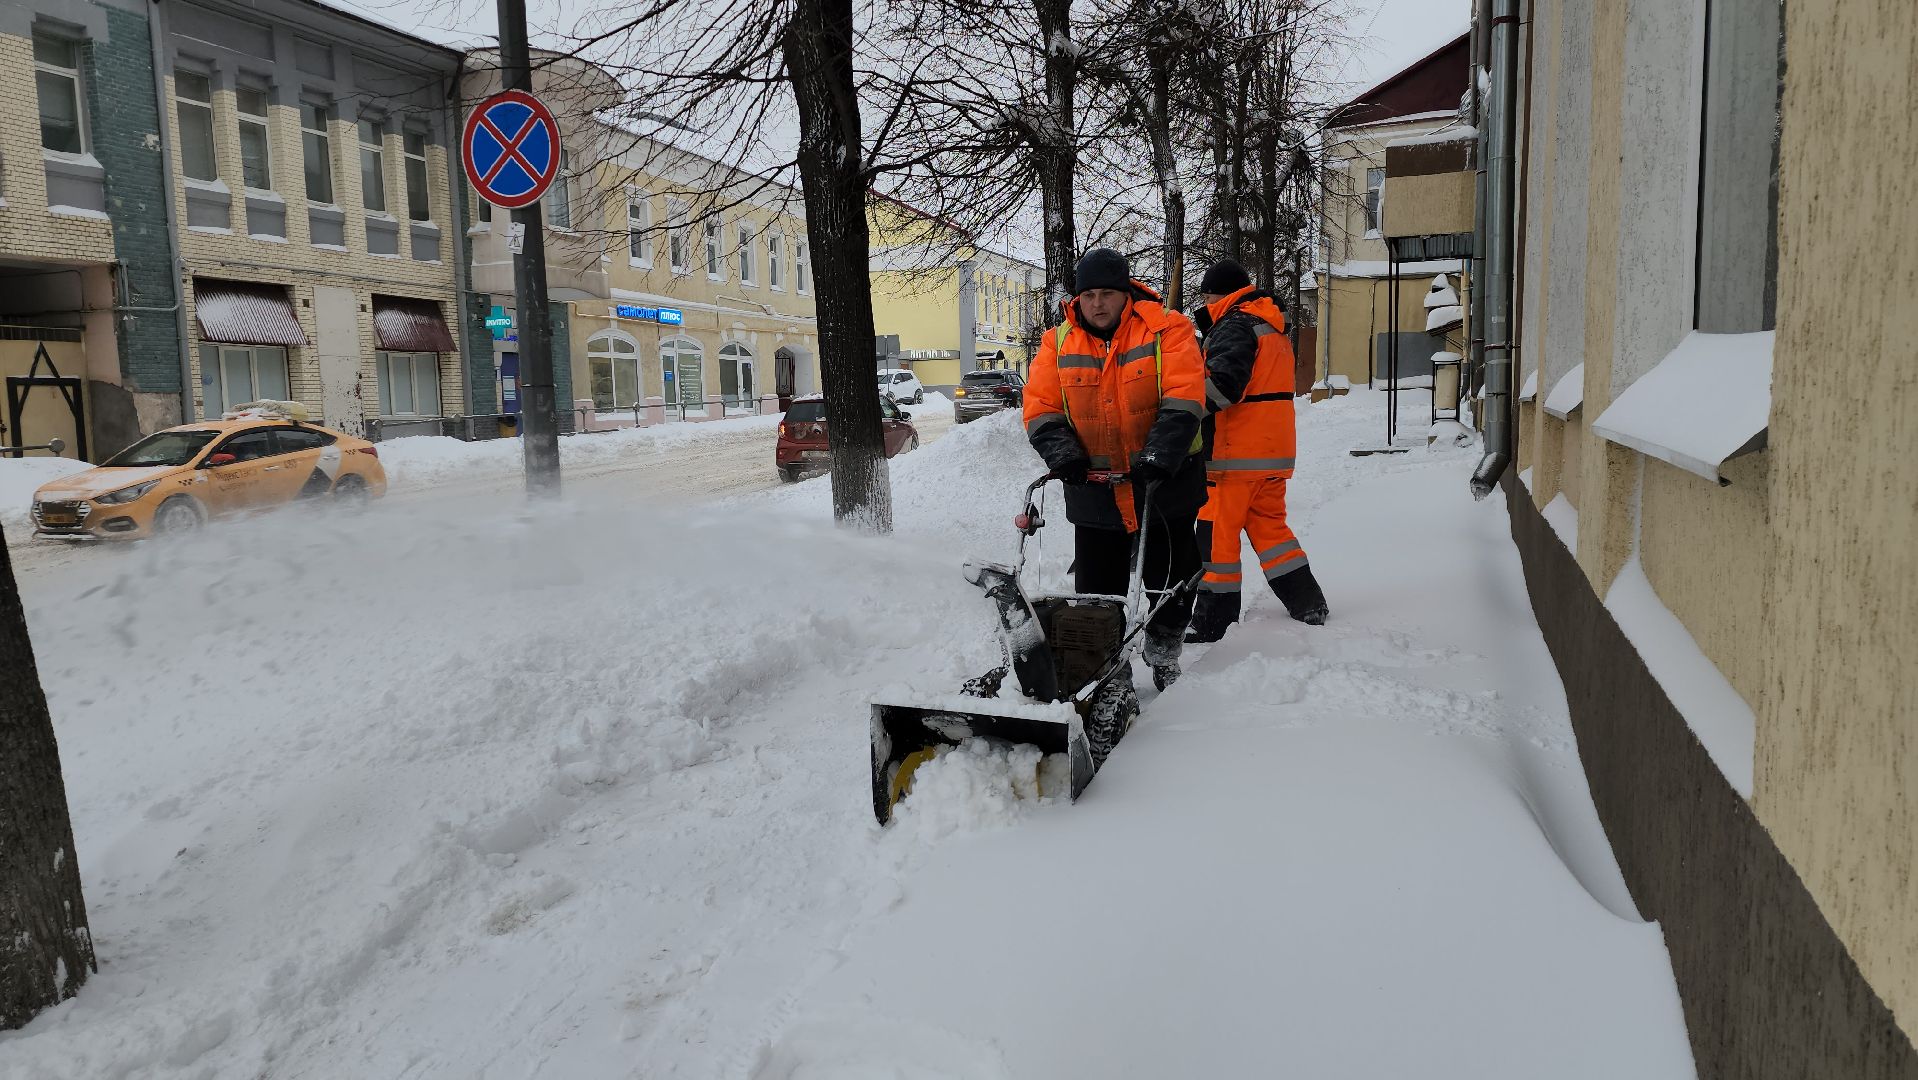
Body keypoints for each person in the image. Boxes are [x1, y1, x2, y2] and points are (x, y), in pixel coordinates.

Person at [1023, 247, 1207, 697]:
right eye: (1089, 295)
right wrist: (1063, 453)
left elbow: (1184, 397)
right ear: (1078, 299)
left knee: (1171, 581)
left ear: (1126, 294)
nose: (1098, 304)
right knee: (1097, 593)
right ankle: (1106, 667)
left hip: (1164, 484)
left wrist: (1159, 454)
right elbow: (1041, 406)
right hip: (1095, 490)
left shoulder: (1169, 329)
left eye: (1108, 293)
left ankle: (1164, 649)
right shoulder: (1058, 342)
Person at [1185, 259, 1330, 644]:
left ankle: (1214, 622)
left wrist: (1183, 409)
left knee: (1216, 535)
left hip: (1235, 457)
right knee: (1271, 531)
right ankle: (1307, 602)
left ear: (1219, 294)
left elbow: (1224, 386)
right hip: (1271, 453)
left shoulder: (1234, 325)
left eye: (1206, 294)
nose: (1204, 299)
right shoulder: (1270, 326)